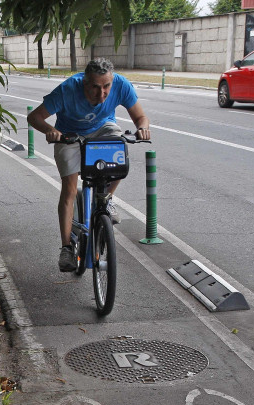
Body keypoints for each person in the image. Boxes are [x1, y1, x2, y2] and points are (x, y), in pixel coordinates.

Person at [27, 58, 151, 273]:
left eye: (106, 87)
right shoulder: (67, 90)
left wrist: (142, 128)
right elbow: (34, 117)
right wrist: (50, 130)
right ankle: (66, 247)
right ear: (84, 82)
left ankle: (107, 199)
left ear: (112, 82)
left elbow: (140, 117)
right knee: (69, 189)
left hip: (103, 129)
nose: (101, 93)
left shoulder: (121, 84)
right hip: (69, 136)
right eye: (95, 86)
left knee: (119, 147)